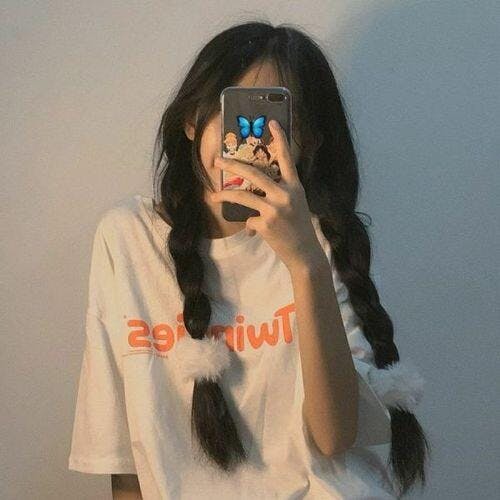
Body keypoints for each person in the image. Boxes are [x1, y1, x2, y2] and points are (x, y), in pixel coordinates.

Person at [68, 21, 430, 499]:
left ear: (309, 141)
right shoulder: (129, 238)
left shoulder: (325, 242)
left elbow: (334, 437)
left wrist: (305, 263)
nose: (251, 141)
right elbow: (124, 454)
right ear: (191, 120)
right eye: (234, 113)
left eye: (276, 119)